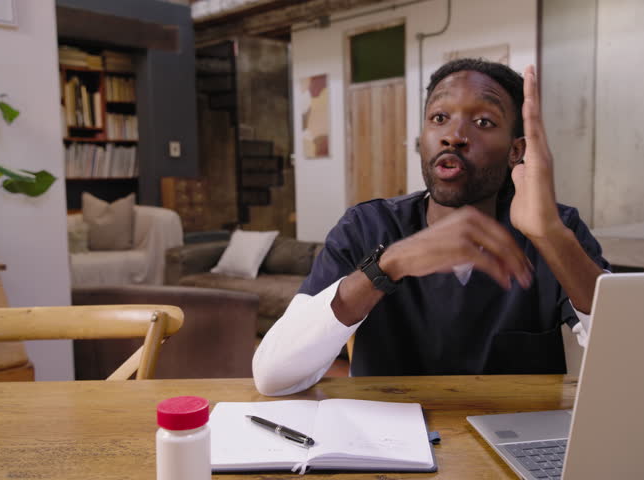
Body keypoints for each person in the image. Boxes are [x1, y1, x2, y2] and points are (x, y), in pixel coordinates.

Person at [253, 58, 610, 396]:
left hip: (513, 444)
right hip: (386, 444)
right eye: (439, 117)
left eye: (483, 122)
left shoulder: (556, 230)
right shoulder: (367, 227)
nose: (454, 135)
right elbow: (272, 375)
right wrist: (386, 266)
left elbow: (628, 359)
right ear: (421, 139)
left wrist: (551, 238)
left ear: (516, 151)